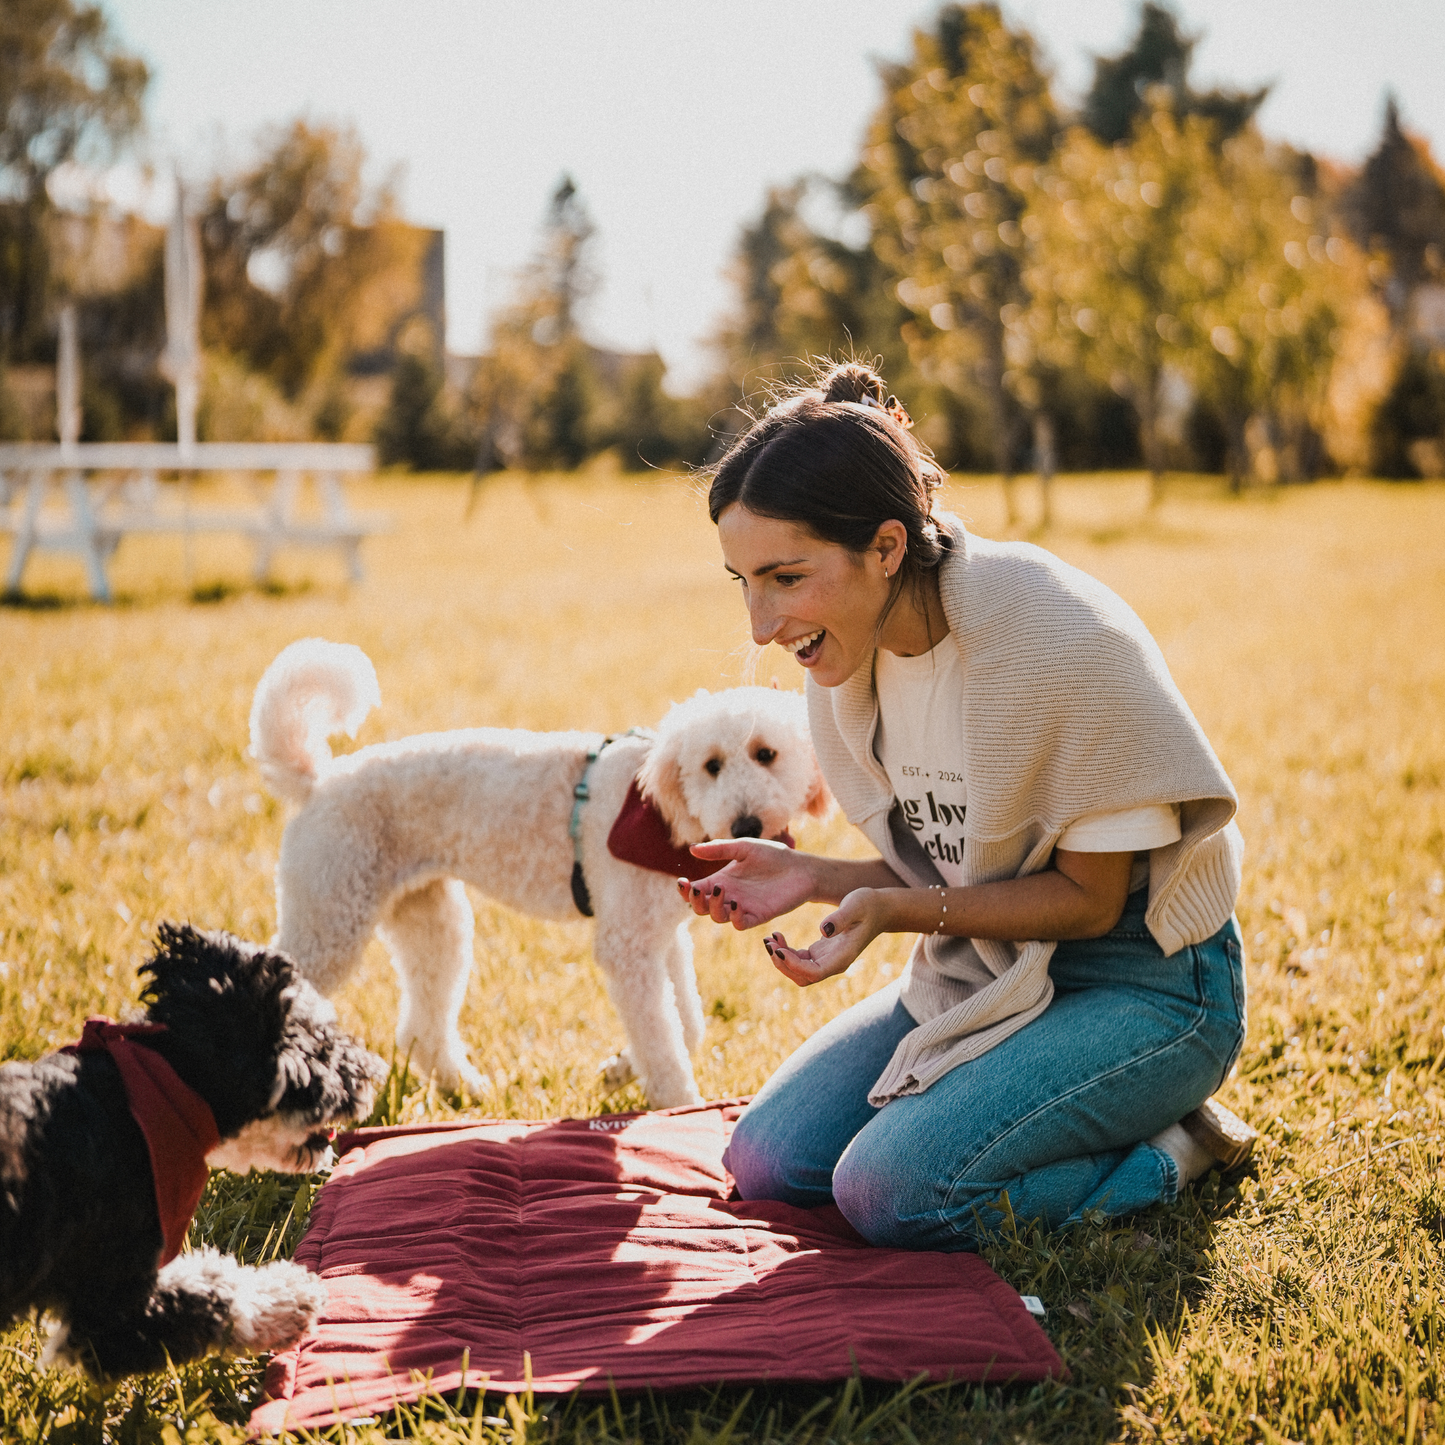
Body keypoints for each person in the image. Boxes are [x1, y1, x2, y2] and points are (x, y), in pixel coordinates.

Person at [679, 361, 1253, 1252]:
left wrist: (899, 911)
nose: (760, 623)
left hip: (1147, 983)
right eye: (741, 581)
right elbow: (964, 861)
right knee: (769, 1161)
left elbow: (1088, 900)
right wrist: (813, 874)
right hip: (986, 967)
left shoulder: (1053, 640)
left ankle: (1171, 1148)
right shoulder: (846, 657)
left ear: (884, 548)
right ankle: (1059, 1117)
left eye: (784, 577)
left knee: (889, 1193)